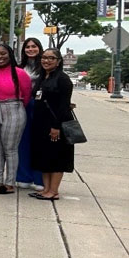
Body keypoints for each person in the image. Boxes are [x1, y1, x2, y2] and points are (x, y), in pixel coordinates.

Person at [0, 44, 30, 194]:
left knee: (10, 148)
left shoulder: (20, 73)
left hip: (14, 109)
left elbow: (27, 95)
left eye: (3, 54)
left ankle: (9, 183)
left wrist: (13, 107)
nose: (0, 57)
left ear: (10, 54)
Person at [30, 49, 75, 201]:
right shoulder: (42, 77)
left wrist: (56, 127)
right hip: (41, 124)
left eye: (51, 58)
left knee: (56, 158)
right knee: (44, 157)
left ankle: (54, 191)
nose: (46, 61)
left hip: (56, 125)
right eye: (44, 58)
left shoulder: (62, 79)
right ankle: (46, 189)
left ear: (58, 61)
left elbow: (63, 105)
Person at [16, 38, 45, 191]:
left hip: (39, 106)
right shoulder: (20, 67)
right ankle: (23, 176)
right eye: (27, 47)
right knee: (23, 142)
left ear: (39, 48)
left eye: (34, 46)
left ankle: (39, 178)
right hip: (23, 106)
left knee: (39, 143)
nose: (30, 49)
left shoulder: (44, 67)